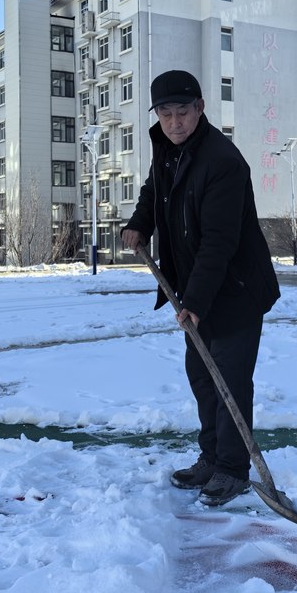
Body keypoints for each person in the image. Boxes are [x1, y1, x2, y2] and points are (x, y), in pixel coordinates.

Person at [121, 69, 280, 506]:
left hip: (235, 290)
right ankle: (211, 458)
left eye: (183, 113)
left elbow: (219, 242)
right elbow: (155, 191)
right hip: (199, 287)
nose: (174, 123)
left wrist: (194, 301)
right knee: (203, 378)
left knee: (229, 380)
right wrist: (139, 223)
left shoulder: (222, 161)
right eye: (166, 114)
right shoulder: (168, 150)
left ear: (200, 109)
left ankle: (232, 470)